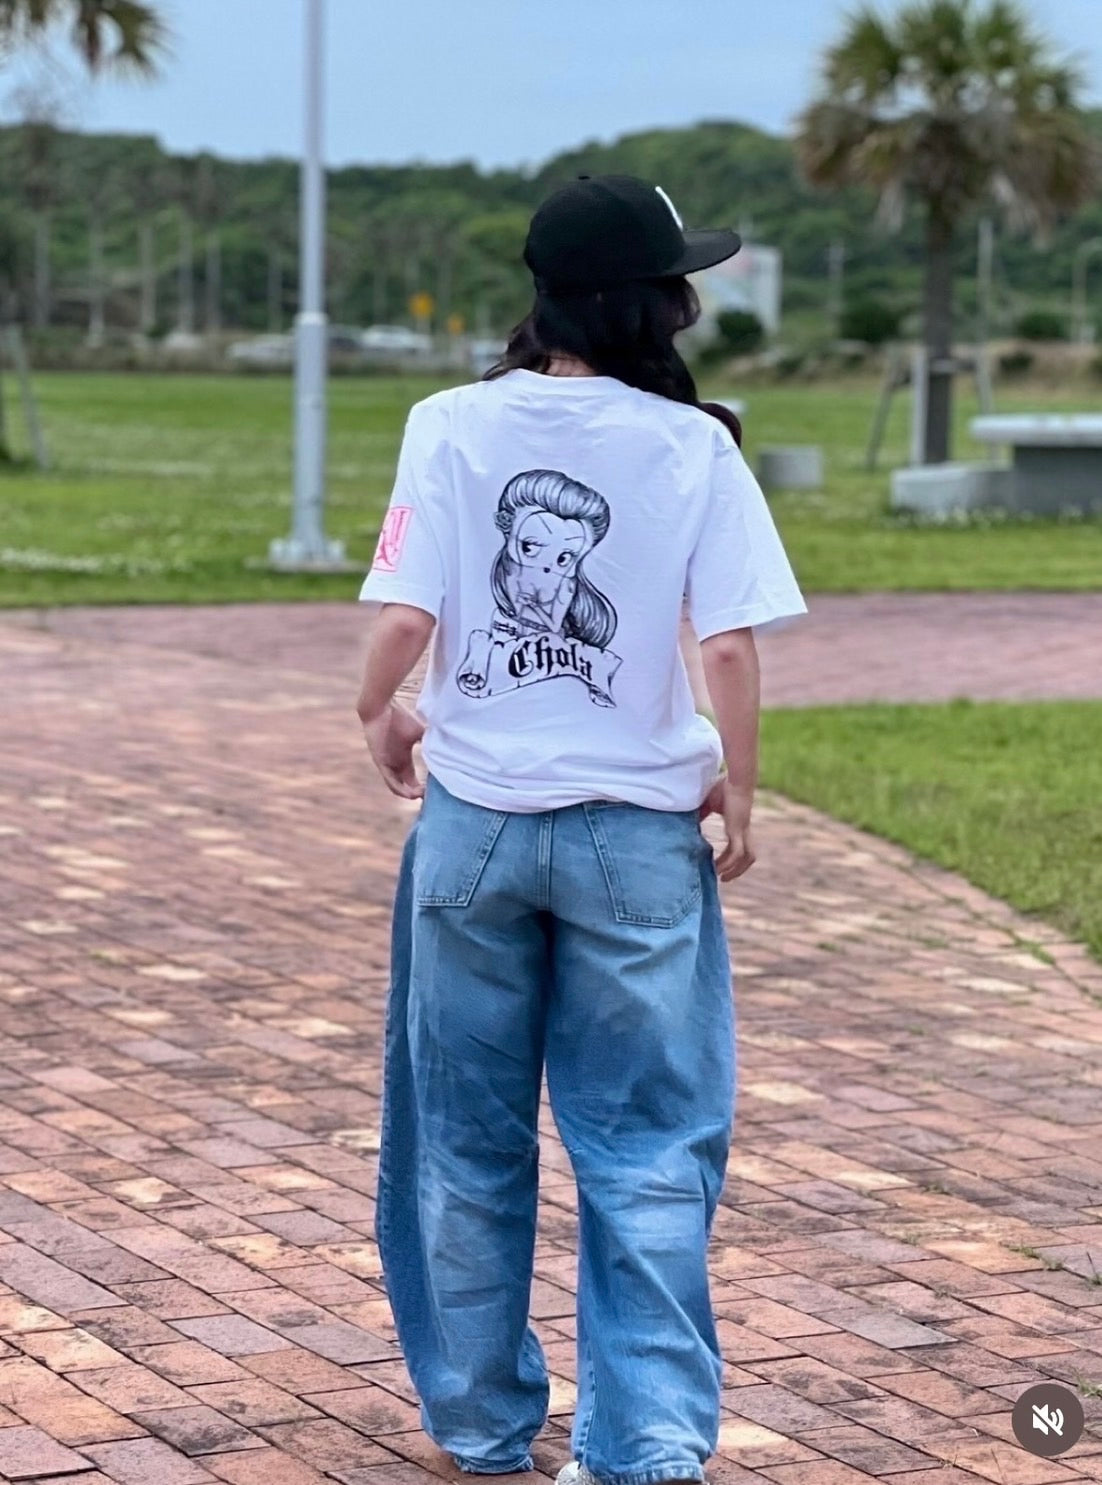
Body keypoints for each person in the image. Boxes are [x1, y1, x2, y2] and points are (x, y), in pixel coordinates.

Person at [355, 174, 807, 1485]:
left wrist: (380, 712)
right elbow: (727, 644)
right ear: (655, 304)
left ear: (545, 294)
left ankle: (480, 1423)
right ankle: (643, 1447)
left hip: (473, 830)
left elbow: (404, 619)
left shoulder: (447, 423)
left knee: (460, 1139)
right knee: (649, 1148)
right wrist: (739, 784)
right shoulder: (695, 446)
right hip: (635, 839)